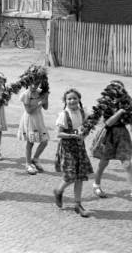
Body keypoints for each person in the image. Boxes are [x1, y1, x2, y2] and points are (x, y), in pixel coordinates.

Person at [53, 89, 93, 217]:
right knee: (71, 175)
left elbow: (87, 127)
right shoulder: (64, 115)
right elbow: (59, 133)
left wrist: (84, 134)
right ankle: (59, 190)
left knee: (80, 176)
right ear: (65, 101)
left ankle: (78, 204)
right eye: (69, 99)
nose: (72, 101)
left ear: (79, 99)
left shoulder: (83, 112)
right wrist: (73, 135)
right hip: (68, 148)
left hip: (80, 147)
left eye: (74, 98)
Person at [91, 80, 132, 198]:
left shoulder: (126, 104)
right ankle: (96, 185)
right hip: (108, 135)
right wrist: (120, 112)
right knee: (104, 162)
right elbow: (108, 123)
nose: (116, 91)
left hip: (122, 135)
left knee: (127, 163)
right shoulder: (105, 105)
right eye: (114, 88)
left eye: (119, 88)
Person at [18, 79, 49, 175]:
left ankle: (35, 158)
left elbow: (46, 107)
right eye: (32, 83)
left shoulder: (40, 92)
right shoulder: (26, 95)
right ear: (28, 83)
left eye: (36, 83)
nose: (34, 86)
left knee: (44, 141)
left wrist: (46, 98)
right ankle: (28, 163)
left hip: (39, 119)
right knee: (30, 142)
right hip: (30, 120)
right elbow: (29, 111)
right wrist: (40, 102)